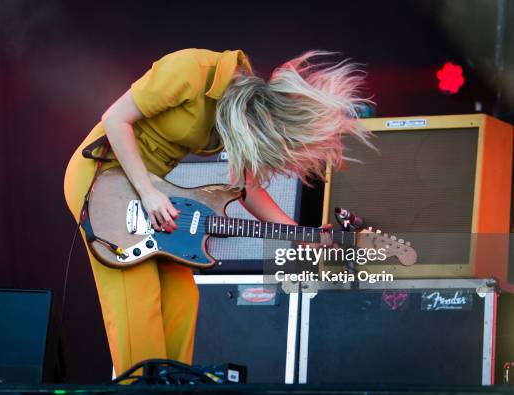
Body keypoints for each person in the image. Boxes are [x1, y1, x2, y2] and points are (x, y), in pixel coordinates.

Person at [63, 48, 372, 375]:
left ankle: (172, 381)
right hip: (102, 179)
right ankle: (139, 385)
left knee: (182, 297)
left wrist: (298, 234)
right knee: (137, 298)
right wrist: (148, 192)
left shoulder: (242, 101)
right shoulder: (190, 70)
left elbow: (246, 187)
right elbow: (115, 119)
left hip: (151, 190)